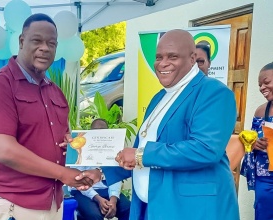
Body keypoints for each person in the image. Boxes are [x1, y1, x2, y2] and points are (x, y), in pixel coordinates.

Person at [80, 29, 239, 219]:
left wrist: (141, 154)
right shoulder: (160, 97)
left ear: (192, 58)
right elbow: (141, 153)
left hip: (192, 209)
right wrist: (101, 173)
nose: (163, 63)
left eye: (173, 56)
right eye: (158, 57)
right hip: (153, 207)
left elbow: (205, 149)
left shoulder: (213, 92)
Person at [0, 13, 101, 220]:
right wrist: (63, 174)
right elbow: (4, 151)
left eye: (51, 43)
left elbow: (67, 142)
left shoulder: (55, 92)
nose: (45, 48)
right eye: (37, 41)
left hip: (51, 201)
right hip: (10, 203)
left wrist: (89, 168)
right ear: (21, 41)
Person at [70, 118, 130, 220]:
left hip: (107, 190)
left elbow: (116, 175)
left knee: (128, 209)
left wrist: (113, 200)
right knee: (94, 215)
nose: (99, 134)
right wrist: (98, 199)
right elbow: (78, 179)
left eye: (103, 131)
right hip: (83, 191)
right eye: (96, 131)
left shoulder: (113, 147)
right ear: (90, 131)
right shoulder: (80, 146)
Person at [240, 62, 273, 220]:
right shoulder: (261, 111)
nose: (262, 88)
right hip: (265, 177)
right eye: (260, 85)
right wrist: (254, 144)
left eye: (266, 82)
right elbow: (251, 140)